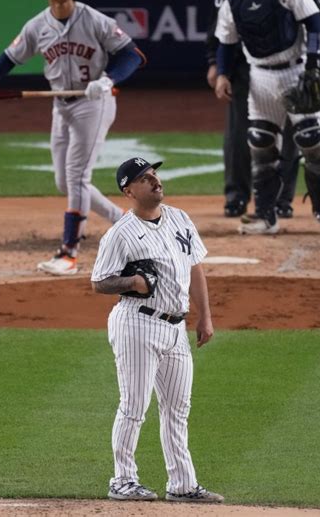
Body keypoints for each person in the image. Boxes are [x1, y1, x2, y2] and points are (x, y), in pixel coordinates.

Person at [0, 0, 146, 276]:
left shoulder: (93, 19)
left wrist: (108, 79)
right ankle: (125, 223)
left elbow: (133, 54)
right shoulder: (37, 25)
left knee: (77, 177)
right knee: (65, 182)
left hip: (93, 103)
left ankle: (69, 253)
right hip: (60, 105)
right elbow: (12, 56)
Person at [91, 157, 224, 504]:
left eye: (154, 174)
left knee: (178, 408)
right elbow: (99, 282)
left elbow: (196, 268)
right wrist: (132, 281)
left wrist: (204, 316)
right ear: (129, 190)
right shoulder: (120, 234)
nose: (154, 180)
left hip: (175, 326)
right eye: (144, 178)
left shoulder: (180, 219)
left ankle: (182, 484)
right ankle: (122, 480)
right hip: (137, 322)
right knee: (134, 405)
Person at [206, 0, 320, 219]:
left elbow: (318, 23)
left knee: (305, 136)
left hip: (296, 67)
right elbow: (222, 35)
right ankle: (247, 203)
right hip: (250, 71)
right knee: (251, 138)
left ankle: (297, 203)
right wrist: (219, 70)